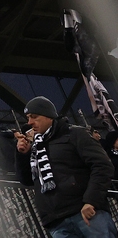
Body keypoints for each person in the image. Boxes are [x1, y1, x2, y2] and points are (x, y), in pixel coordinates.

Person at [16, 96, 116, 237]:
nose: (30, 122)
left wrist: (91, 200)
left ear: (48, 116)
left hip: (85, 212)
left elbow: (103, 165)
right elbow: (26, 180)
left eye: (34, 117)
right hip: (56, 222)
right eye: (28, 118)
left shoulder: (75, 134)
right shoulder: (35, 146)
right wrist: (22, 155)